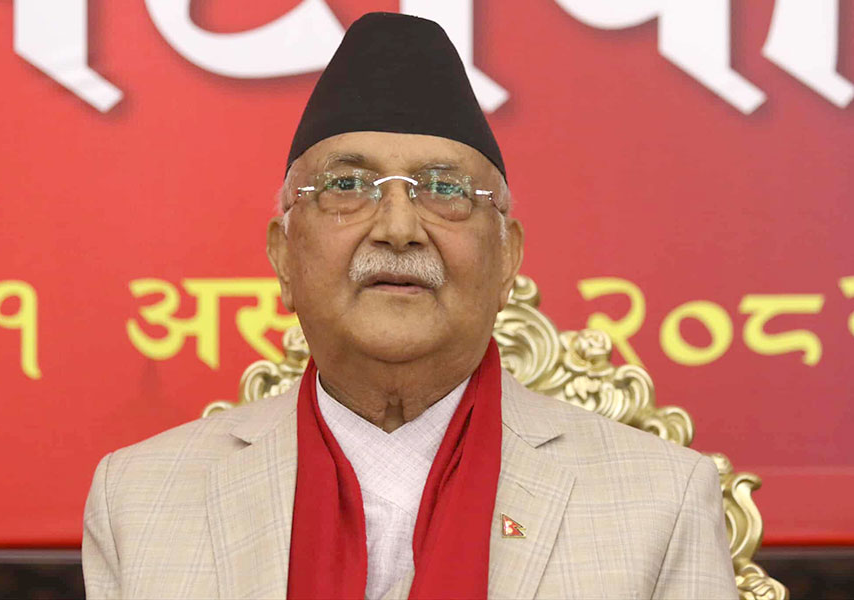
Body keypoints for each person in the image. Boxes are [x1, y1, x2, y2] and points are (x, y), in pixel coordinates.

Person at [82, 12, 738, 599]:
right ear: (284, 255)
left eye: (445, 190)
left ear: (507, 258)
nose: (398, 228)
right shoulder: (140, 499)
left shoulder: (659, 500)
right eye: (347, 185)